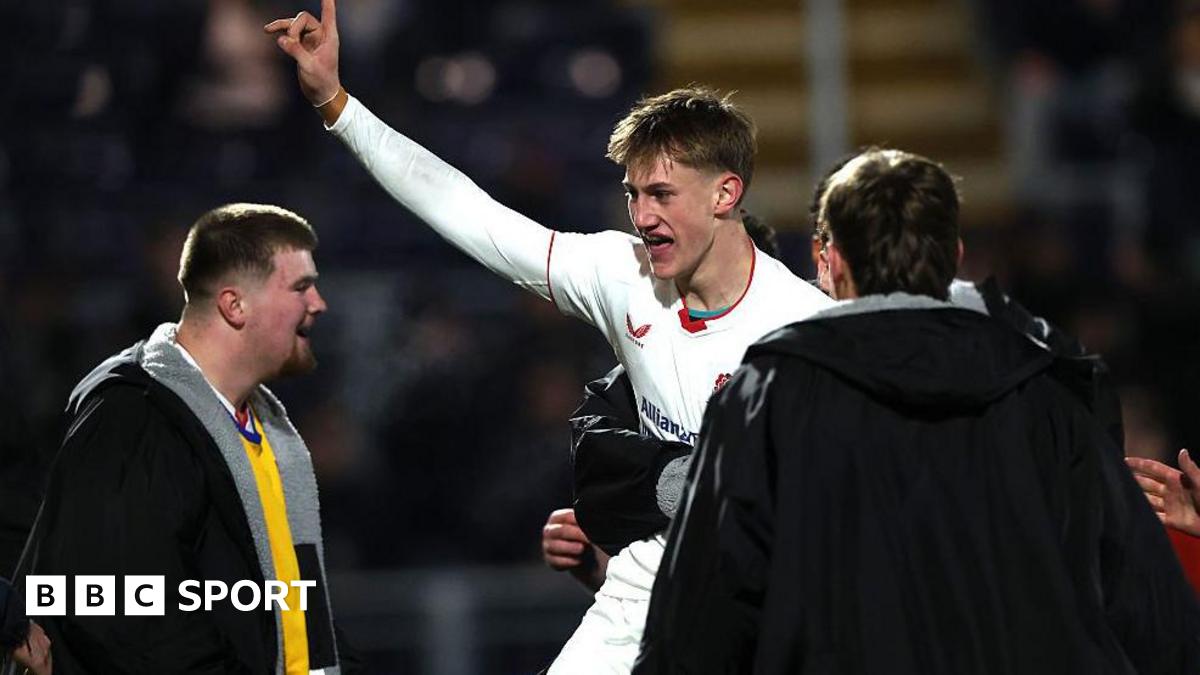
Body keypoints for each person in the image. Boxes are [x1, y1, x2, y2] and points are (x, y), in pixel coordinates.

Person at [265, 2, 833, 670]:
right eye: (632, 194)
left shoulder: (804, 330)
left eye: (662, 195)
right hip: (643, 592)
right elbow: (469, 212)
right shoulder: (621, 275)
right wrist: (338, 104)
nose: (643, 216)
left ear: (725, 193)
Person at [634, 149, 1200, 673]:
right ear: (953, 257)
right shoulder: (1047, 395)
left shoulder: (763, 398)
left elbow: (701, 618)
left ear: (827, 258)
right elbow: (1144, 610)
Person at [23, 204, 357, 673]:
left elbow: (297, 619)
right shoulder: (134, 414)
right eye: (300, 287)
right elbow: (111, 613)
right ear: (234, 304)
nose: (318, 303)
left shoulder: (265, 428)